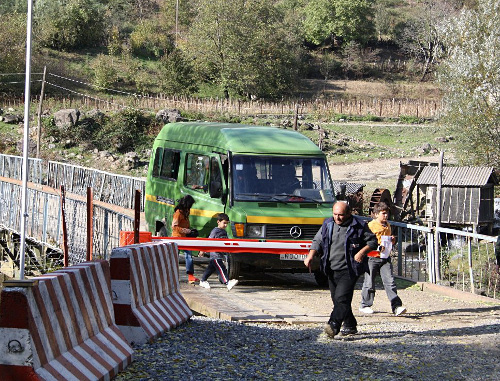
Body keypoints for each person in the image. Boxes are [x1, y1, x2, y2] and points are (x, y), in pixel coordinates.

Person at [304, 201, 378, 338]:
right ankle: (350, 325)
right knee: (337, 299)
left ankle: (333, 326)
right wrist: (310, 256)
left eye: (341, 215)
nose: (337, 218)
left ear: (349, 213)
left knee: (341, 298)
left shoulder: (359, 225)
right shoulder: (328, 224)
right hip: (331, 268)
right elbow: (318, 240)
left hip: (350, 268)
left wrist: (361, 252)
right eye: (335, 214)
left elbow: (373, 241)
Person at [359, 202, 406, 316]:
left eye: (387, 213)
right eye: (383, 213)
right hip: (372, 257)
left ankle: (396, 306)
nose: (386, 216)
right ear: (376, 214)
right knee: (369, 282)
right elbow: (366, 241)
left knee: (390, 282)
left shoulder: (388, 225)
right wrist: (377, 246)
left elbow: (386, 239)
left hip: (385, 258)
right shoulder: (371, 226)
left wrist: (392, 240)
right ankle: (365, 305)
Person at [198, 213, 239, 291]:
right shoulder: (215, 231)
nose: (226, 225)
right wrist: (203, 250)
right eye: (224, 223)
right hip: (215, 254)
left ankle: (203, 280)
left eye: (227, 223)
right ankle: (227, 282)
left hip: (220, 254)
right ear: (218, 222)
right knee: (221, 267)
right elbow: (209, 241)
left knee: (210, 268)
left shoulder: (224, 232)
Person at [172, 195, 199, 284]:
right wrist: (184, 230)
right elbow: (174, 226)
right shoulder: (178, 213)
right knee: (175, 257)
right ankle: (173, 276)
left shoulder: (186, 211)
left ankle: (190, 276)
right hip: (177, 238)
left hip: (186, 238)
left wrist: (190, 230)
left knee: (189, 256)